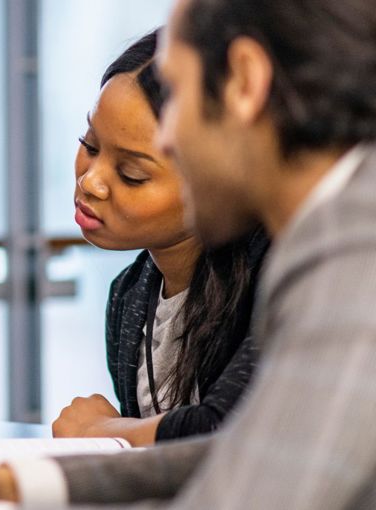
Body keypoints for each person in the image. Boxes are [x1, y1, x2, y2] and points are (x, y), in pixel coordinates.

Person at [0, 0, 376, 508]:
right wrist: (16, 485)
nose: (167, 136)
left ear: (244, 81)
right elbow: (257, 445)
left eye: (179, 96)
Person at [55, 29, 268, 447]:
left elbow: (229, 434)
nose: (91, 182)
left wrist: (99, 431)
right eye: (91, 145)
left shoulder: (275, 279)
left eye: (132, 174)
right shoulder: (129, 295)